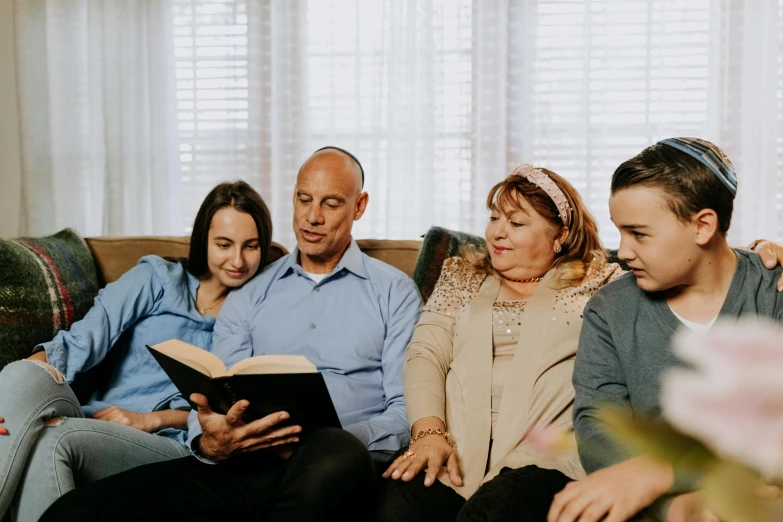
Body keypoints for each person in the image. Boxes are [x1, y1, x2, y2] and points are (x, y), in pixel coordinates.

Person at [40, 146, 423, 522]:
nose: (312, 217)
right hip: (244, 459)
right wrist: (210, 439)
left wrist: (319, 441)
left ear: (359, 206)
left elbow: (404, 410)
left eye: (331, 203)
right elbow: (214, 391)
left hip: (338, 459)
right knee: (74, 512)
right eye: (303, 199)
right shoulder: (250, 293)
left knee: (332, 450)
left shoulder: (394, 292)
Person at [0, 180, 273, 522]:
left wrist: (148, 419)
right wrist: (13, 392)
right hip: (89, 413)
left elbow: (227, 410)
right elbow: (85, 339)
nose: (237, 260)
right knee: (24, 374)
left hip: (169, 441)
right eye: (224, 244)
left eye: (251, 246)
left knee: (50, 441)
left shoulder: (259, 314)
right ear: (203, 239)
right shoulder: (157, 279)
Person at [548, 138, 783, 522]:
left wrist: (663, 471)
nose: (621, 251)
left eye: (639, 234)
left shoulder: (774, 294)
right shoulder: (610, 310)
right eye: (620, 232)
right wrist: (674, 502)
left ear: (703, 225)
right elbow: (597, 430)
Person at [378, 165, 624, 522]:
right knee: (395, 511)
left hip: (546, 455)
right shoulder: (461, 275)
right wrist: (428, 432)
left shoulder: (600, 282)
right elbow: (425, 353)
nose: (497, 233)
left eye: (517, 223)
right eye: (494, 218)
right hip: (453, 447)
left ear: (561, 235)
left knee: (490, 514)